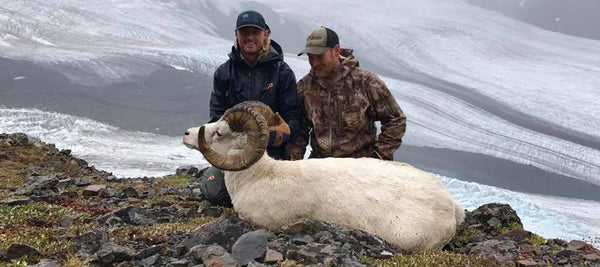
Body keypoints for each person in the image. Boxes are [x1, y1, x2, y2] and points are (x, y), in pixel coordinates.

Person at [201, 10, 301, 206]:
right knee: (213, 192)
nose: (250, 37)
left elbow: (294, 116)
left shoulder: (282, 72)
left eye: (255, 32)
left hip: (271, 155)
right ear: (236, 35)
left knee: (278, 198)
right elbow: (215, 118)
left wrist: (278, 135)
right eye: (244, 32)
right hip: (235, 152)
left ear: (265, 34)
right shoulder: (223, 73)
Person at [288, 26, 407, 161]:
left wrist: (379, 156)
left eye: (320, 56)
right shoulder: (305, 87)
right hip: (320, 168)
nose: (314, 63)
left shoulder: (366, 82)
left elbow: (396, 119)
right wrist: (294, 161)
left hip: (360, 168)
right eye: (310, 57)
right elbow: (299, 129)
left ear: (336, 50)